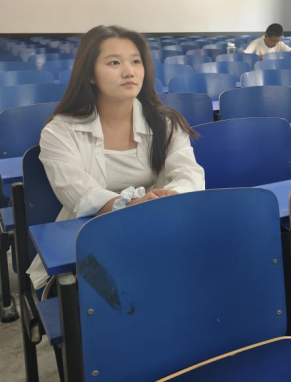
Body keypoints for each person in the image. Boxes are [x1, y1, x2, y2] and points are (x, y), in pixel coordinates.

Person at [29, 25, 204, 290]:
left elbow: (189, 173)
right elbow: (79, 194)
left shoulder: (166, 123)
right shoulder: (60, 131)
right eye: (114, 62)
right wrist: (132, 205)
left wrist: (171, 197)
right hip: (89, 243)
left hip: (158, 231)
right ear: (90, 74)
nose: (129, 71)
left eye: (136, 61)